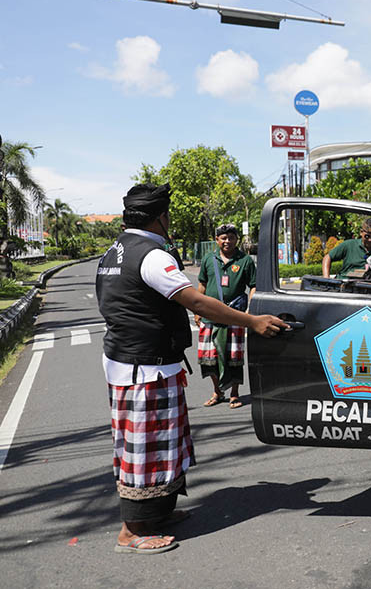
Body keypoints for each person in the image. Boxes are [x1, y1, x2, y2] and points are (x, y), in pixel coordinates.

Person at [95, 183, 285, 555]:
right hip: (144, 369)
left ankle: (157, 514)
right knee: (145, 451)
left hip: (134, 362)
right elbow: (197, 301)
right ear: (161, 217)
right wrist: (252, 321)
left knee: (160, 444)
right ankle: (131, 532)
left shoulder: (113, 253)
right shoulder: (152, 256)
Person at [195, 224, 255, 409]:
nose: (227, 241)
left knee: (234, 356)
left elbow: (253, 286)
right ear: (217, 240)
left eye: (231, 237)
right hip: (210, 316)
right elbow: (202, 285)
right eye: (223, 238)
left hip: (235, 315)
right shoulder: (208, 259)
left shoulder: (245, 260)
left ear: (237, 239)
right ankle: (218, 391)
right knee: (208, 357)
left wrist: (249, 310)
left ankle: (234, 394)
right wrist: (197, 311)